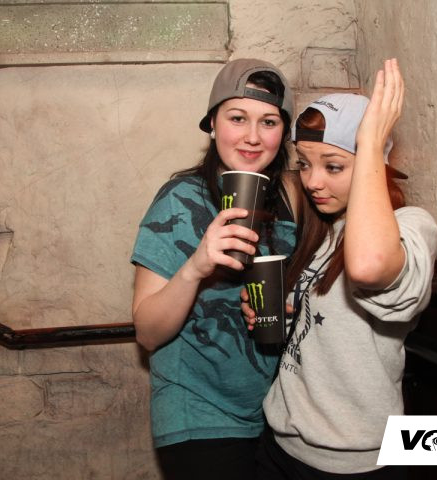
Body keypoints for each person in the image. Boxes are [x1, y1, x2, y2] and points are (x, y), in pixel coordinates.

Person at [242, 59, 437, 479]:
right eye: (305, 163)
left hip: (353, 463)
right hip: (280, 445)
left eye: (333, 166)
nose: (312, 181)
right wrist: (279, 312)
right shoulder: (324, 230)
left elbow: (368, 268)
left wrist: (370, 143)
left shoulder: (411, 226)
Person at [130, 58, 298, 480]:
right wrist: (196, 267)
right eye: (237, 118)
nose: (252, 137)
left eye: (269, 122)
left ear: (283, 133)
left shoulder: (295, 201)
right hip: (199, 417)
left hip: (279, 418)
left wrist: (292, 307)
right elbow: (147, 333)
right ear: (211, 124)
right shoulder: (178, 200)